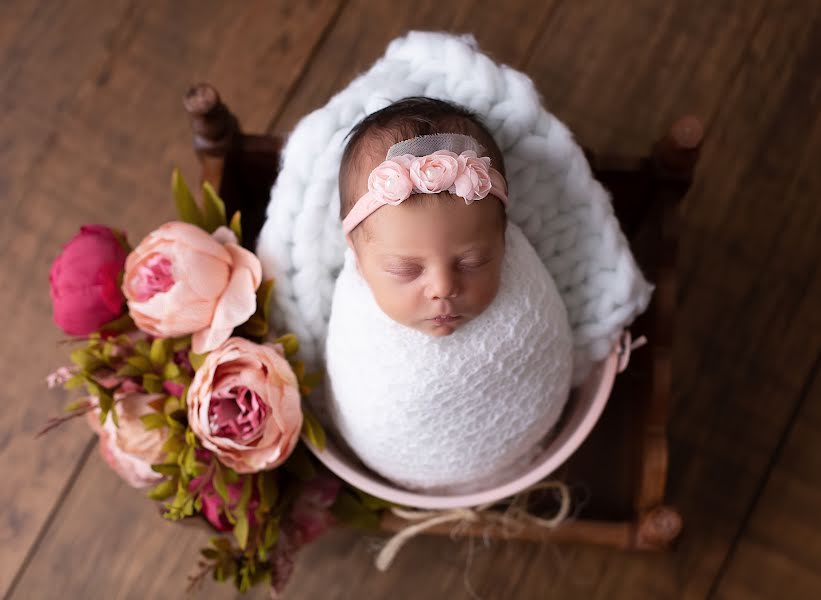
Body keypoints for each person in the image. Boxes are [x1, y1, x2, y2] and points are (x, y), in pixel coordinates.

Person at [325, 97, 573, 492]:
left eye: (473, 261)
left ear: (503, 240)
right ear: (357, 259)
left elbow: (545, 350)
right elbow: (356, 390)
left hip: (526, 456)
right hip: (382, 468)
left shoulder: (522, 298)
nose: (443, 288)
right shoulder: (359, 323)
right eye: (405, 270)